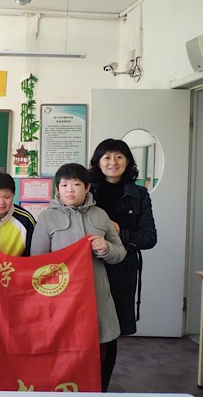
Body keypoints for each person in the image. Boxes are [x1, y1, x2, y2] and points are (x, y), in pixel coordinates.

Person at [30, 163, 127, 392]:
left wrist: (106, 248)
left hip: (98, 300)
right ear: (57, 190)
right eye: (64, 185)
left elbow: (120, 253)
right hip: (62, 303)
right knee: (66, 357)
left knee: (103, 352)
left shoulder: (100, 215)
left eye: (76, 184)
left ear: (87, 187)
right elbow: (37, 262)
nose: (70, 190)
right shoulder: (47, 218)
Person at [89, 138, 157, 391]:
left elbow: (149, 238)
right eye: (107, 157)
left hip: (121, 271)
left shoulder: (139, 195)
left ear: (128, 161)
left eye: (119, 156)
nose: (113, 162)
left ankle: (102, 389)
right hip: (87, 268)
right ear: (98, 162)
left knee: (110, 333)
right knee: (84, 327)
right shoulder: (86, 189)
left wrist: (120, 233)